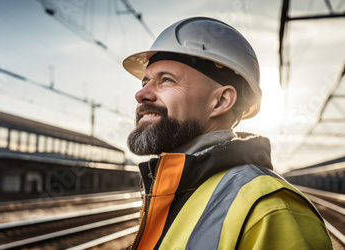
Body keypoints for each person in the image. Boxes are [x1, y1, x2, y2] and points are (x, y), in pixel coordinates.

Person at [123, 17, 332, 250]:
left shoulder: (270, 208)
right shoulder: (173, 191)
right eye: (145, 82)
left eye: (166, 80)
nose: (142, 94)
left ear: (221, 101)